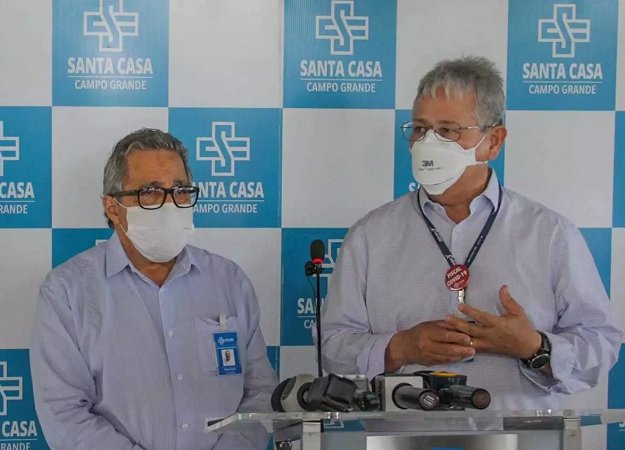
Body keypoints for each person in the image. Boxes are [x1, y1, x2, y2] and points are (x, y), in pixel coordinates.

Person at [320, 56, 623, 410]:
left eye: (448, 130)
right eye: (420, 128)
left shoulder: (550, 234)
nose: (428, 143)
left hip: (519, 434)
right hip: (402, 434)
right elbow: (332, 346)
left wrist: (534, 347)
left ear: (493, 141)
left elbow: (600, 345)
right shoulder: (370, 237)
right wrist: (399, 347)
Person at [30, 129, 276, 449]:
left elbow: (260, 392)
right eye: (151, 192)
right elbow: (64, 413)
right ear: (113, 208)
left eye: (180, 190)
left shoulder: (229, 281)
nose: (170, 205)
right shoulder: (67, 292)